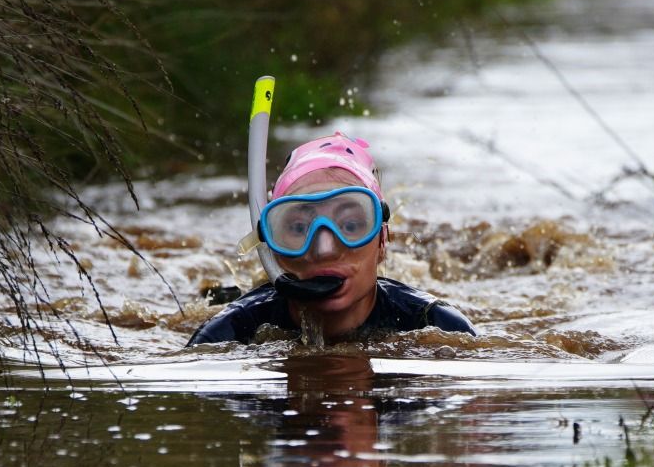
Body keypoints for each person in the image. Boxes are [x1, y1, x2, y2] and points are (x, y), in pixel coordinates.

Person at [188, 132, 476, 345]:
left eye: (350, 224)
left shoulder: (437, 327)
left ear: (382, 242)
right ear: (273, 248)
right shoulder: (229, 334)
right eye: (300, 228)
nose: (325, 249)